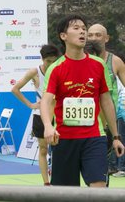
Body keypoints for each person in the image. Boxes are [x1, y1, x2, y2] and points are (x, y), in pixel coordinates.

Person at [40, 14, 125, 187]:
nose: (82, 32)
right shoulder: (56, 68)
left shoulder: (98, 64)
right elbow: (46, 101)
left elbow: (106, 101)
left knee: (99, 188)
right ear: (63, 36)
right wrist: (48, 126)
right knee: (65, 193)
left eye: (84, 29)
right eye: (76, 28)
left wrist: (116, 136)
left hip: (94, 137)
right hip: (64, 139)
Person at [11, 44, 61, 185]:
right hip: (41, 116)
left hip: (58, 116)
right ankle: (46, 183)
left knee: (60, 150)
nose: (51, 64)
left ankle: (59, 180)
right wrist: (30, 105)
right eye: (48, 61)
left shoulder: (60, 70)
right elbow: (15, 89)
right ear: (42, 59)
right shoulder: (35, 72)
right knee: (43, 149)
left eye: (54, 61)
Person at [87, 23, 125, 175]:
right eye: (90, 35)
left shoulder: (115, 61)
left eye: (98, 35)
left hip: (107, 125)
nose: (94, 38)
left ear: (107, 38)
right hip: (85, 123)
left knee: (101, 169)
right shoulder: (80, 60)